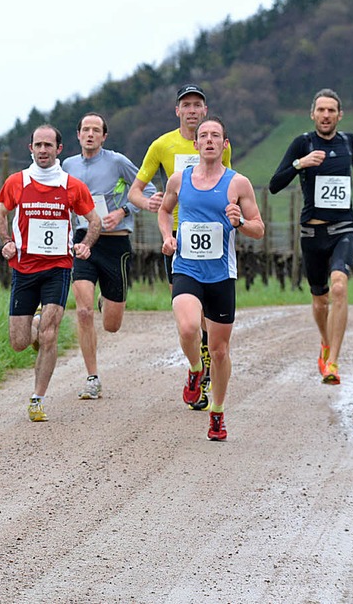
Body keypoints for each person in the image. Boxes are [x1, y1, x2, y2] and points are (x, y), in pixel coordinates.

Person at [158, 116, 264, 440]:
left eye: (215, 135)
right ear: (195, 144)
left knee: (219, 350)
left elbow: (259, 229)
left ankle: (217, 412)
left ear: (224, 144)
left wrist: (240, 222)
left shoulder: (238, 184)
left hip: (220, 274)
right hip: (186, 267)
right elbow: (164, 211)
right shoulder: (179, 180)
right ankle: (194, 370)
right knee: (189, 326)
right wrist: (167, 236)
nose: (208, 140)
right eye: (203, 135)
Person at [128, 84, 232, 410]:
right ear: (177, 111)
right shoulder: (161, 145)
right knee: (188, 313)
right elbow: (134, 191)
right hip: (176, 238)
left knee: (207, 317)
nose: (191, 110)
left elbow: (225, 182)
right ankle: (198, 368)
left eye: (197, 105)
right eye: (185, 105)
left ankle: (204, 372)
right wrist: (150, 203)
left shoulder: (217, 143)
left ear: (204, 111)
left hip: (213, 237)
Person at [0, 124, 100, 422]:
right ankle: (37, 322)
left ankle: (37, 399)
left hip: (58, 268)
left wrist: (85, 246)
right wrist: (7, 242)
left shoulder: (71, 185)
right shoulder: (17, 181)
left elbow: (95, 221)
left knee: (50, 335)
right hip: (24, 268)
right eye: (38, 145)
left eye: (48, 145)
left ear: (59, 149)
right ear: (31, 148)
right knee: (19, 342)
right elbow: (0, 213)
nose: (43, 150)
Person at [269, 88, 353, 385]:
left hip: (344, 229)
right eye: (321, 110)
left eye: (331, 110)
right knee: (319, 301)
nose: (326, 115)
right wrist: (300, 164)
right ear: (312, 114)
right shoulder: (303, 143)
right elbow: (275, 184)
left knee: (339, 286)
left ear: (340, 115)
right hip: (312, 232)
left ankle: (333, 363)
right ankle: (325, 343)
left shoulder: (347, 140)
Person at [62, 112, 156, 399]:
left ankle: (107, 301)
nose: (90, 134)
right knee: (83, 310)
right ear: (78, 135)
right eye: (85, 129)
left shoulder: (117, 161)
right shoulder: (68, 165)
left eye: (96, 130)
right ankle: (92, 377)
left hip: (116, 243)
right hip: (83, 242)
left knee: (112, 325)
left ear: (104, 136)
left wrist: (123, 211)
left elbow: (147, 190)